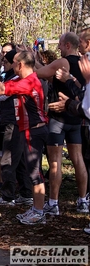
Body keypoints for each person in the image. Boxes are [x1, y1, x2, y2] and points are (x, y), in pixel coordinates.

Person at [0, 51, 49, 225]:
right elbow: (1, 93)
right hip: (27, 130)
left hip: (34, 131)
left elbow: (0, 89)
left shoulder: (29, 82)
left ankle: (39, 212)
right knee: (31, 170)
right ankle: (35, 207)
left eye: (13, 63)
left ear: (20, 65)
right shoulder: (26, 80)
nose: (9, 66)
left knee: (35, 173)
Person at [35, 32, 89, 214]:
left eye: (59, 44)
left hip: (58, 118)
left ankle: (53, 203)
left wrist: (30, 60)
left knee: (55, 161)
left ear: (67, 45)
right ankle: (82, 200)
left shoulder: (62, 63)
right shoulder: (84, 64)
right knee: (78, 159)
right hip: (76, 116)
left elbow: (39, 73)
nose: (57, 48)